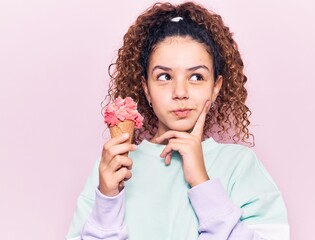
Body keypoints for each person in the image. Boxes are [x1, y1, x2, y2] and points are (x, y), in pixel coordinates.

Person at [66, 2, 289, 239]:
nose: (180, 92)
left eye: (196, 76)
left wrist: (201, 182)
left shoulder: (240, 166)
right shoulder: (115, 167)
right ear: (146, 89)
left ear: (216, 87)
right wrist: (108, 201)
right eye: (164, 76)